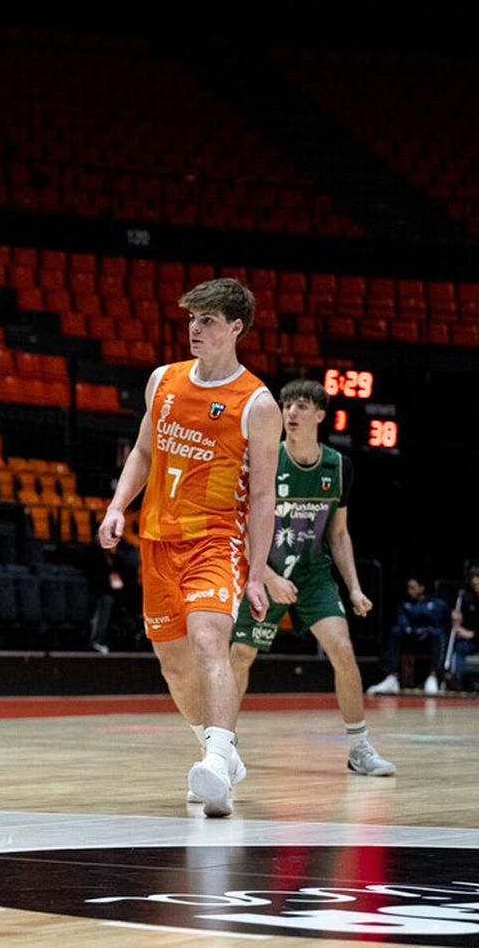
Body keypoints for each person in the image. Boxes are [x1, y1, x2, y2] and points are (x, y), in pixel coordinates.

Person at [98, 277, 280, 817]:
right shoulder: (164, 380)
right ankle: (218, 753)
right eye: (191, 320)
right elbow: (143, 453)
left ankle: (218, 762)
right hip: (157, 539)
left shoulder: (257, 403)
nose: (194, 330)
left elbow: (266, 494)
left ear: (235, 328)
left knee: (208, 641)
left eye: (206, 321)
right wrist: (116, 506)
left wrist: (256, 571)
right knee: (174, 666)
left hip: (216, 539)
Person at [226, 378, 395, 778]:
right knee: (241, 655)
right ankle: (223, 747)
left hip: (314, 575)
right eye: (286, 406)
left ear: (321, 414)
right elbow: (240, 526)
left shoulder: (339, 467)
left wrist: (353, 586)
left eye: (301, 406)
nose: (291, 413)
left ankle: (359, 748)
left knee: (343, 647)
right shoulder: (265, 458)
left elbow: (338, 533)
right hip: (264, 572)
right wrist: (264, 575)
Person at [365, 578, 449, 695]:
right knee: (395, 631)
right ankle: (392, 677)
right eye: (408, 588)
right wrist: (414, 631)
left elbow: (439, 623)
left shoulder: (436, 604)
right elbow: (402, 624)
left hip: (430, 641)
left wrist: (425, 630)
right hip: (411, 640)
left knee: (438, 634)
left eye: (413, 588)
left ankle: (433, 676)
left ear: (422, 588)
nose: (410, 591)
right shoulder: (405, 605)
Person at [89, 534, 140, 654]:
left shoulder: (127, 548)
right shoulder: (96, 550)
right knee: (105, 600)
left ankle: (140, 636)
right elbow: (92, 571)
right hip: (104, 590)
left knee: (142, 596)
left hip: (127, 590)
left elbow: (132, 566)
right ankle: (97, 641)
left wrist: (116, 554)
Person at [446, 570, 478, 690]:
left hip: (474, 635)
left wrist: (472, 634)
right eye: (473, 582)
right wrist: (456, 619)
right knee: (460, 647)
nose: (475, 583)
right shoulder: (467, 598)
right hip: (472, 640)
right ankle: (457, 679)